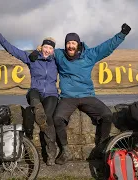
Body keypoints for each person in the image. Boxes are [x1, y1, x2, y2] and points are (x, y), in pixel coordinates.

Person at [30, 23, 131, 165]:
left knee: (107, 115)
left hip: (87, 95)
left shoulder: (89, 55)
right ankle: (66, 151)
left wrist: (122, 35)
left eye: (73, 43)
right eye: (68, 43)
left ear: (78, 43)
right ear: (65, 45)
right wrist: (36, 52)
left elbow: (107, 47)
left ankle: (102, 148)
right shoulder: (59, 55)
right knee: (58, 118)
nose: (71, 46)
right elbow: (47, 50)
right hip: (68, 97)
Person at [0, 26, 59, 166]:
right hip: (36, 91)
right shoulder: (32, 58)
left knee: (48, 119)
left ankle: (51, 152)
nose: (47, 50)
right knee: (33, 95)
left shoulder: (57, 61)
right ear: (41, 47)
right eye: (45, 47)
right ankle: (38, 110)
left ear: (53, 50)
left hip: (51, 94)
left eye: (50, 48)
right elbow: (13, 50)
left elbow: (72, 55)